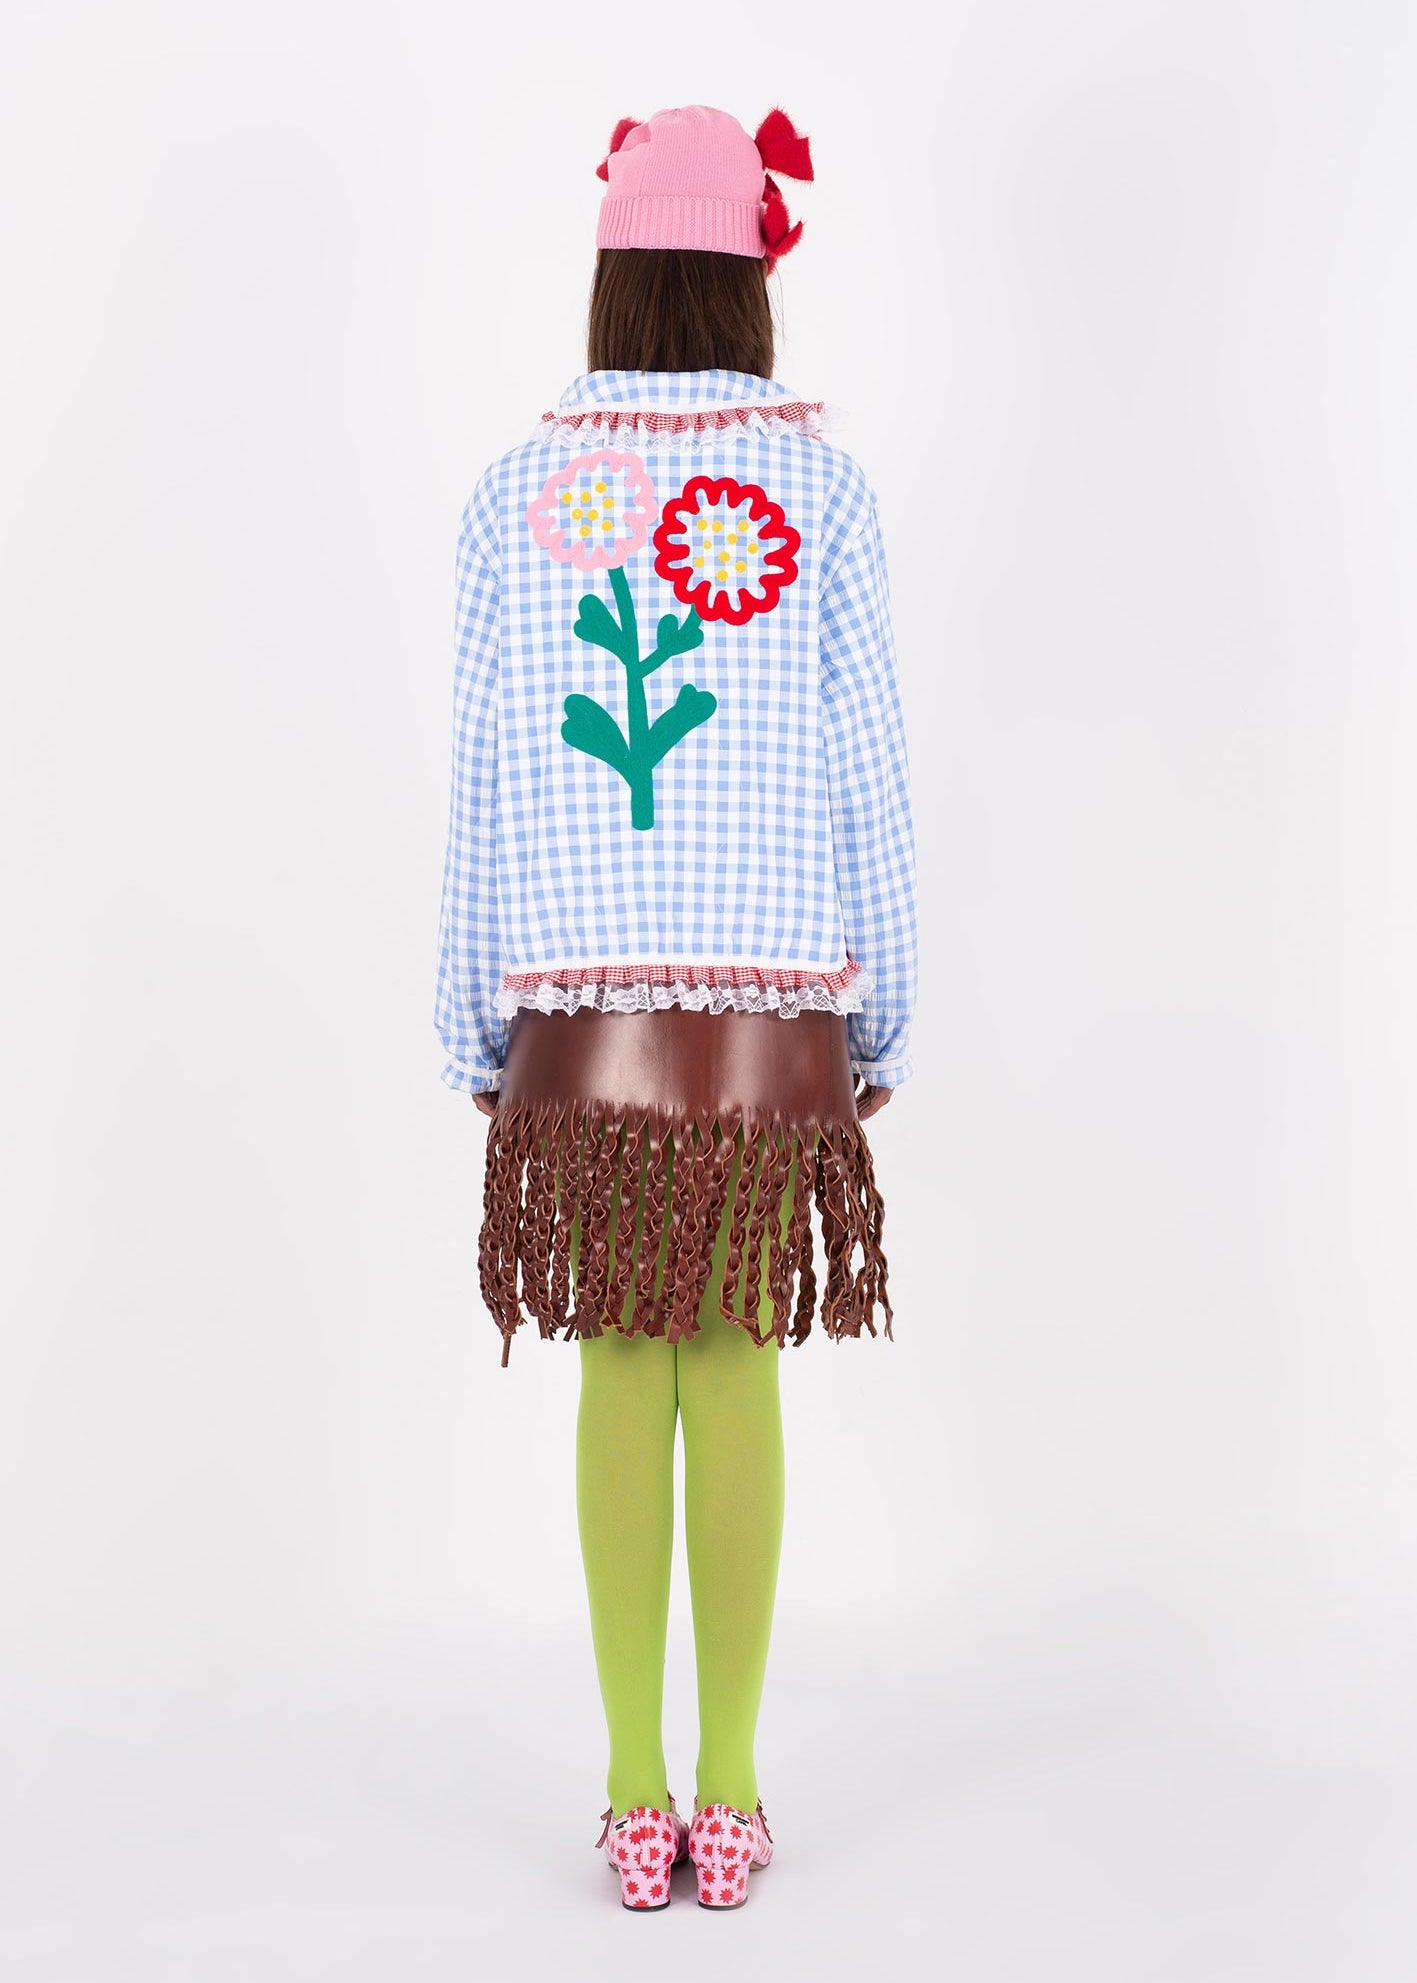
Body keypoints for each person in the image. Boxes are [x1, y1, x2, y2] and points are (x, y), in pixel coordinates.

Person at [434, 103, 917, 1912]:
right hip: (768, 1013)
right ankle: (731, 1788)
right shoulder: (825, 494)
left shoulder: (512, 497)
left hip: (578, 1016)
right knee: (733, 1362)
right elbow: (869, 779)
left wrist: (471, 1024)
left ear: (614, 273)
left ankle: (632, 1795)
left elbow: (484, 782)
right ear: (749, 282)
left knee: (616, 1368)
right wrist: (884, 1014)